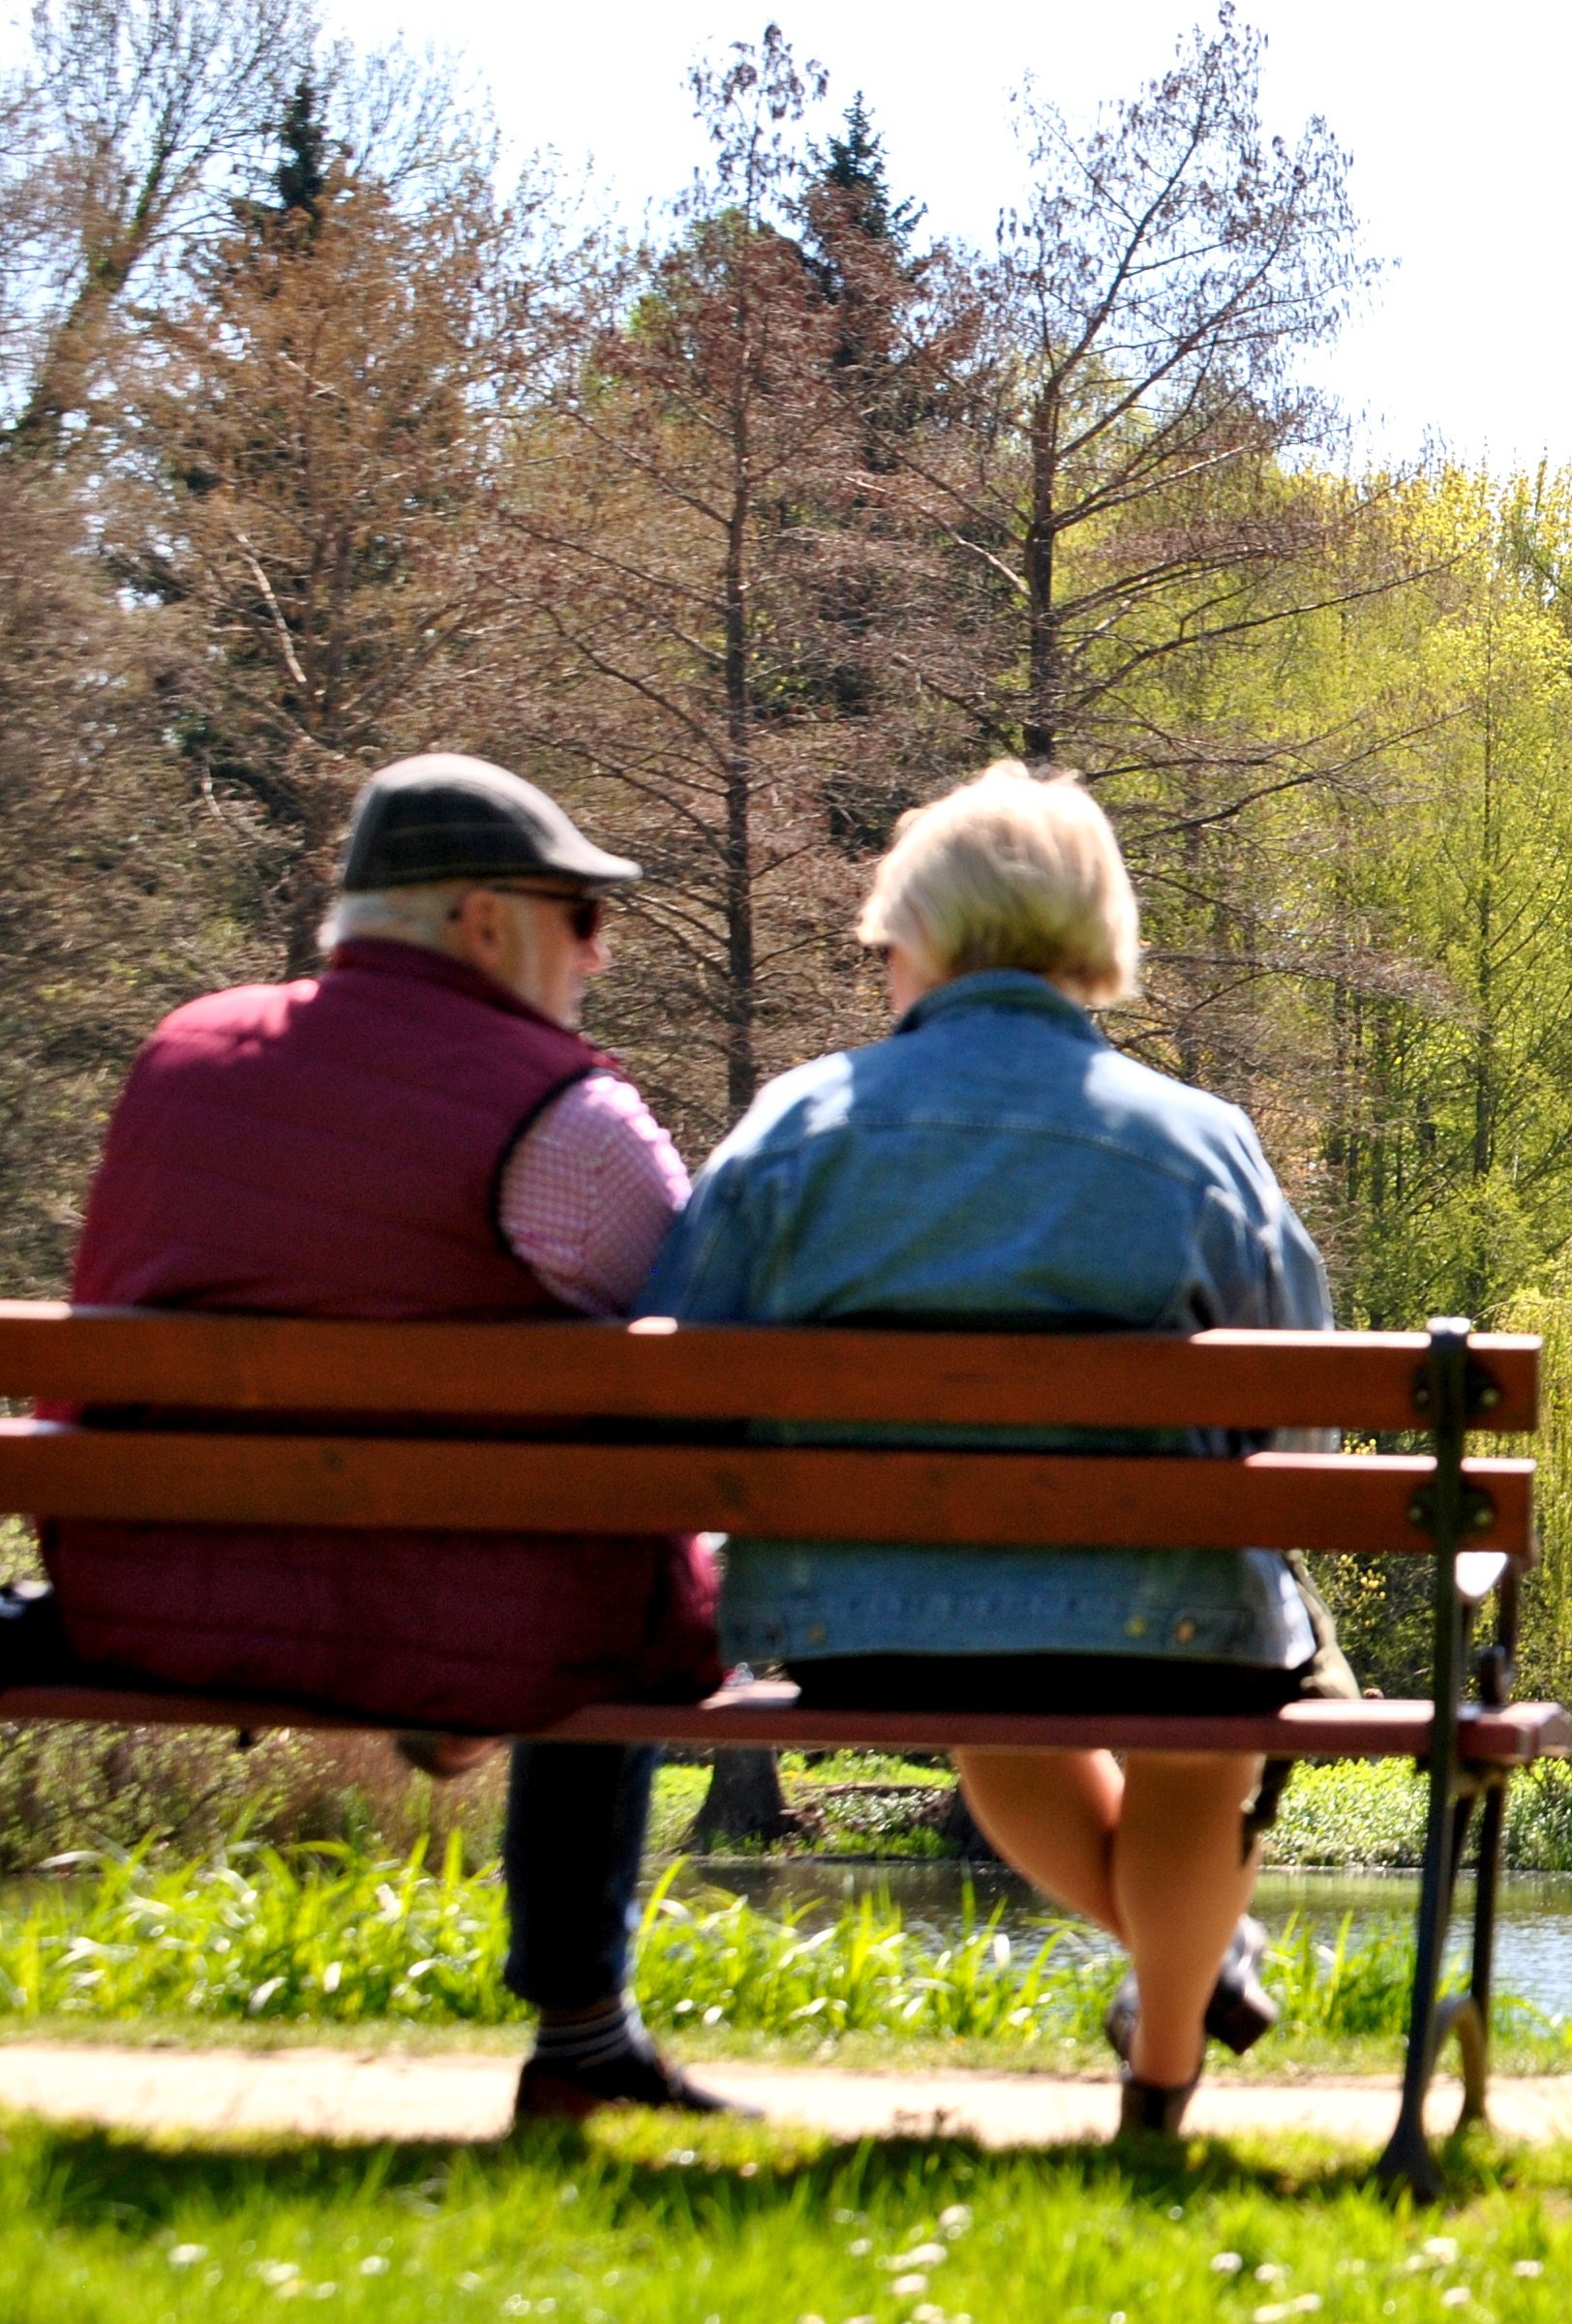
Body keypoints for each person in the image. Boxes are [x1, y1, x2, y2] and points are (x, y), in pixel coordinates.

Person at [642, 762, 1333, 2138]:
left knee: (999, 1709)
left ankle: (1179, 1978)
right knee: (1204, 1733)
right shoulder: (1201, 1143)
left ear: (919, 938)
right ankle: (1164, 2062)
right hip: (1169, 1620)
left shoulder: (792, 1126)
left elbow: (678, 1367)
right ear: (1095, 934)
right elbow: (1293, 1422)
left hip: (866, 1624)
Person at [51, 754, 739, 2120]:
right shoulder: (570, 1121)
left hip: (155, 1603)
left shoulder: (181, 1057)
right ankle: (584, 2033)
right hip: (499, 1629)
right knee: (624, 1561)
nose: (599, 956)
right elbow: (699, 1359)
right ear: (487, 920)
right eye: (585, 917)